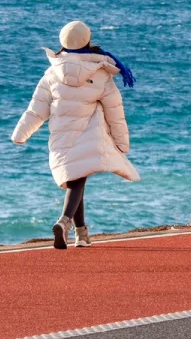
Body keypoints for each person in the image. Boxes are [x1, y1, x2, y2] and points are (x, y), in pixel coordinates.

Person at [12, 19, 139, 250]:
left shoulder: (52, 72)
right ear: (87, 40)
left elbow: (37, 109)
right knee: (78, 179)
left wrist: (20, 134)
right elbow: (115, 111)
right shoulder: (99, 73)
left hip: (60, 134)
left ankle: (81, 235)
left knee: (76, 177)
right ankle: (64, 221)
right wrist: (122, 143)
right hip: (87, 133)